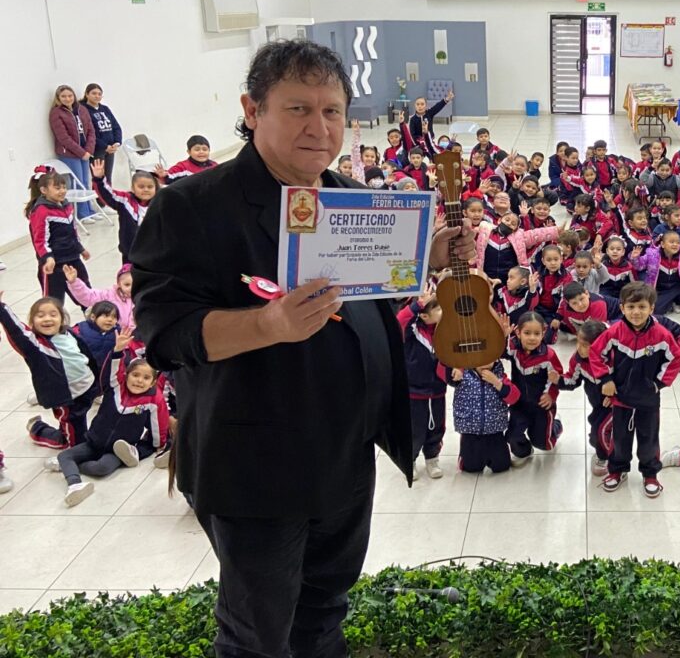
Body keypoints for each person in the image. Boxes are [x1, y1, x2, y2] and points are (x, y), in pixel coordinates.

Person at [130, 40, 475, 658]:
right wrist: (267, 326)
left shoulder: (352, 198)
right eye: (298, 109)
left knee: (323, 614)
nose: (320, 128)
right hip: (255, 469)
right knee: (256, 636)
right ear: (252, 109)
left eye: (333, 111)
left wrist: (425, 257)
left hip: (344, 456)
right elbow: (163, 334)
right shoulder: (193, 207)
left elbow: (367, 293)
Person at [587, 282, 680, 498]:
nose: (636, 312)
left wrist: (658, 384)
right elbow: (595, 353)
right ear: (622, 308)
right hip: (620, 399)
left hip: (648, 401)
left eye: (642, 307)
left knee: (649, 440)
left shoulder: (661, 334)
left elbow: (675, 358)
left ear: (652, 308)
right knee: (620, 440)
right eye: (631, 307)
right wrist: (605, 378)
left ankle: (650, 474)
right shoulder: (614, 332)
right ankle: (617, 470)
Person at [51, 353, 169, 507]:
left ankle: (133, 453)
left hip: (117, 451)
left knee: (101, 468)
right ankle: (74, 484)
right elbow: (111, 370)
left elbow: (158, 424)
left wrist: (157, 444)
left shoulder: (153, 401)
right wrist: (117, 351)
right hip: (94, 442)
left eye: (146, 378)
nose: (139, 380)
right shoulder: (115, 388)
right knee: (64, 456)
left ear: (153, 382)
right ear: (126, 376)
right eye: (135, 375)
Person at [1, 294, 100, 450]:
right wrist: (2, 308)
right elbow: (16, 331)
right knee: (72, 442)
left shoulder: (68, 334)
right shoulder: (37, 346)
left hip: (87, 388)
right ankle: (38, 429)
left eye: (53, 314)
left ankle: (74, 433)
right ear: (32, 322)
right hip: (66, 398)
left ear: (62, 318)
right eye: (40, 316)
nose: (47, 319)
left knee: (79, 424)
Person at [396, 291, 448, 480]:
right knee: (415, 430)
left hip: (437, 390)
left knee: (437, 427)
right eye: (438, 309)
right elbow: (400, 321)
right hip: (415, 391)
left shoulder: (443, 329)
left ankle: (432, 458)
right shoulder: (412, 331)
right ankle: (409, 459)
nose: (443, 312)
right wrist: (416, 306)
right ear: (425, 316)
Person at [504, 312, 564, 466]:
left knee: (544, 444)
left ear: (544, 333)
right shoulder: (513, 348)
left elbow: (557, 378)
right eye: (527, 333)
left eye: (537, 333)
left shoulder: (548, 355)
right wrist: (503, 336)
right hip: (519, 403)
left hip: (541, 405)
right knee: (512, 435)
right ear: (518, 332)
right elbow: (500, 352)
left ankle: (556, 426)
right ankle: (524, 452)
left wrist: (550, 395)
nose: (532, 338)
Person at [26, 167, 91, 308]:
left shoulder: (67, 206)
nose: (62, 191)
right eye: (57, 188)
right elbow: (40, 240)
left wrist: (80, 248)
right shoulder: (41, 211)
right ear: (44, 190)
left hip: (73, 259)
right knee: (53, 304)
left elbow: (73, 230)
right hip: (53, 266)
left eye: (64, 187)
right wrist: (48, 257)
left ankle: (95, 325)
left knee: (87, 297)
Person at [561, 319, 612, 477]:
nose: (579, 348)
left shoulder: (614, 359)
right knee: (595, 432)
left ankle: (605, 457)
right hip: (598, 405)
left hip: (618, 404)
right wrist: (558, 380)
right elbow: (572, 380)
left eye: (585, 346)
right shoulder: (578, 360)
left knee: (601, 432)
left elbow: (628, 379)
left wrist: (615, 395)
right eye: (578, 342)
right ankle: (605, 448)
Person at [451, 360, 521, 474]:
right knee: (471, 468)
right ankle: (466, 454)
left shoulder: (500, 377)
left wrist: (497, 383)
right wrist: (457, 368)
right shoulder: (462, 375)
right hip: (470, 432)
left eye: (489, 359)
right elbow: (442, 371)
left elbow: (514, 397)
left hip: (495, 432)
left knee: (502, 466)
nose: (484, 363)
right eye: (480, 359)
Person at [91, 159, 158, 263]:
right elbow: (109, 194)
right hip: (130, 253)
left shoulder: (160, 203)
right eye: (141, 187)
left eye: (150, 187)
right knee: (129, 278)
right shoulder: (125, 200)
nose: (146, 189)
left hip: (153, 253)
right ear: (132, 188)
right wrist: (99, 179)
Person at [48, 84, 98, 221]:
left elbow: (91, 131)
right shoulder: (56, 113)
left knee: (86, 181)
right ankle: (82, 214)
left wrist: (88, 150)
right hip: (70, 154)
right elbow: (63, 137)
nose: (67, 98)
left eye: (70, 96)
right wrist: (81, 152)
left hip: (85, 153)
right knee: (77, 182)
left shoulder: (81, 109)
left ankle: (89, 210)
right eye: (63, 96)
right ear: (58, 98)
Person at [64, 264, 136, 331]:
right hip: (114, 336)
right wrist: (74, 283)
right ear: (119, 284)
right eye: (127, 284)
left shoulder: (145, 297)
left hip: (140, 338)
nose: (132, 288)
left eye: (136, 283)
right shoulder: (109, 295)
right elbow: (89, 297)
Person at [82, 83, 123, 188]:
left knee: (108, 177)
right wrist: (105, 146)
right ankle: (99, 203)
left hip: (110, 149)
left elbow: (116, 127)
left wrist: (117, 143)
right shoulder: (83, 110)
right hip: (97, 150)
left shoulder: (105, 109)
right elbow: (89, 133)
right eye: (94, 93)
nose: (97, 96)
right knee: (98, 178)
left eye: (99, 94)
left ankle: (108, 201)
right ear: (87, 94)